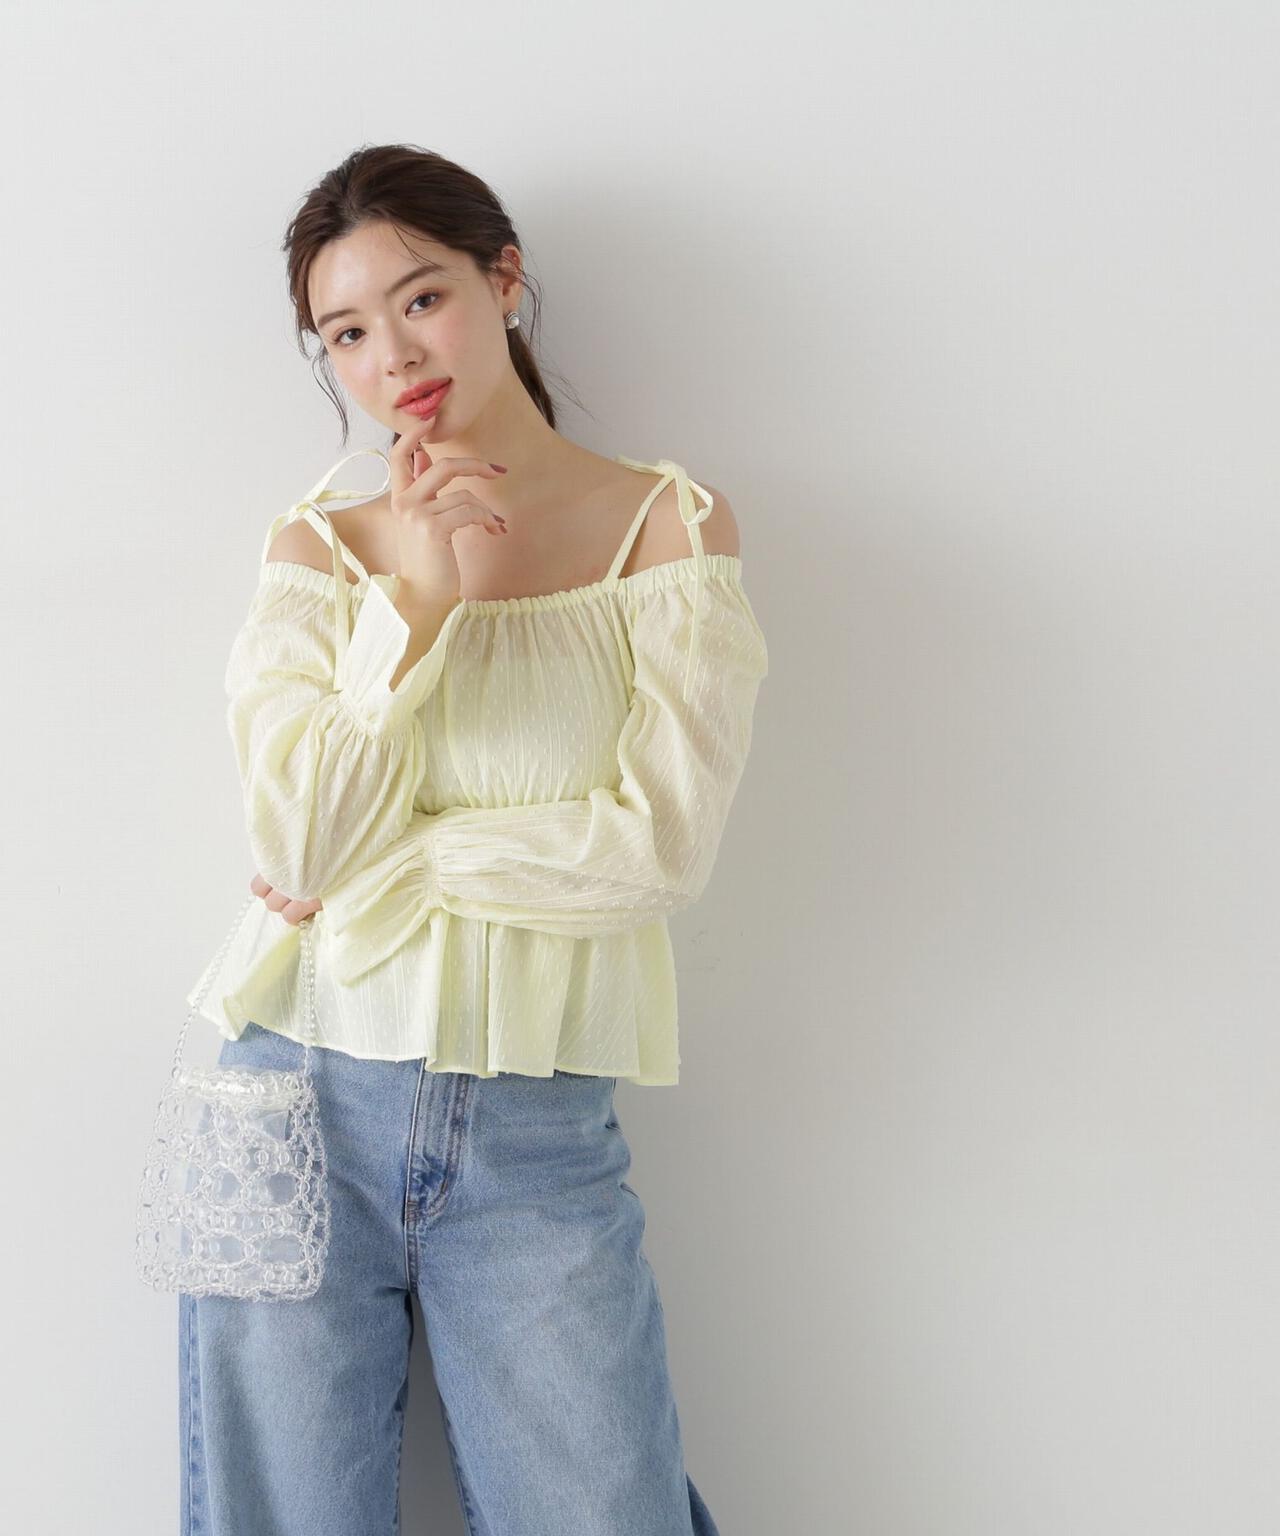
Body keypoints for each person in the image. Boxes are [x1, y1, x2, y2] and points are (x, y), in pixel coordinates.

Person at [179, 142, 769, 1536]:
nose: (391, 355)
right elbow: (298, 843)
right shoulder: (320, 552)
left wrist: (398, 864)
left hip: (534, 1128)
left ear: (504, 280)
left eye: (422, 298)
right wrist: (421, 603)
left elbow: (656, 853)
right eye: (344, 332)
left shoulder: (664, 532)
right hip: (289, 1094)